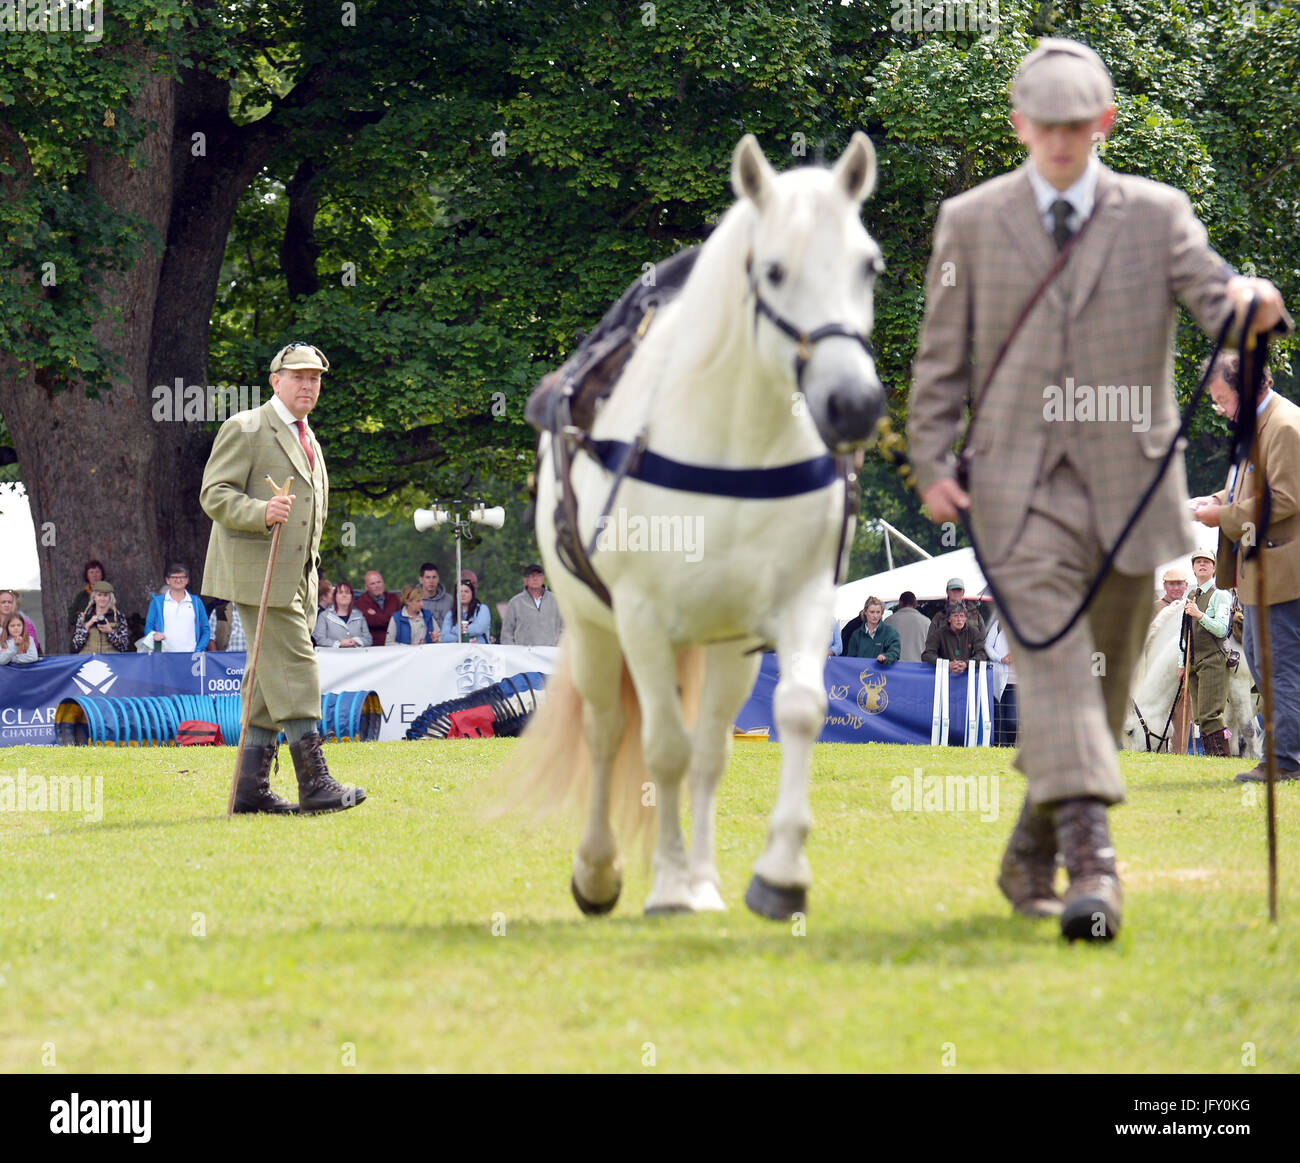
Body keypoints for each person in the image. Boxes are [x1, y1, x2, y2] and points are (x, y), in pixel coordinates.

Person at [907, 36, 1288, 940]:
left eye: (1078, 126)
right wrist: (929, 462)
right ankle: (1095, 864)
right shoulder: (970, 220)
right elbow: (939, 358)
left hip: (1129, 491)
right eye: (1046, 127)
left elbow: (1212, 295)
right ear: (1019, 126)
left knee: (1103, 682)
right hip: (1015, 490)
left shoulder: (1156, 214)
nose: (1063, 143)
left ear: (1104, 122)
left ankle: (1029, 848)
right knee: (1050, 667)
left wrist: (1249, 303)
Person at [200, 340, 365, 816]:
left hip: (299, 578)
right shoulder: (246, 427)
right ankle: (315, 784)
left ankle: (250, 790)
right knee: (295, 667)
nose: (308, 385)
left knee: (266, 679)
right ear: (276, 381)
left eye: (315, 378)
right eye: (298, 376)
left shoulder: (308, 437)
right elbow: (214, 494)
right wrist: (260, 511)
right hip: (259, 574)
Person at [1193, 351, 1300, 781]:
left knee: (1279, 665)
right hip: (1261, 573)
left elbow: (1287, 497)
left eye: (1222, 399)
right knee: (1262, 660)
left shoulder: (1285, 425)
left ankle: (1286, 762)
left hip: (1282, 571)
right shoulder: (1256, 425)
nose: (1219, 409)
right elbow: (1245, 485)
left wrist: (1224, 518)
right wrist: (1215, 501)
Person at [1175, 551, 1233, 757]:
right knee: (1199, 716)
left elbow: (1221, 629)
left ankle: (1221, 756)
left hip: (1213, 659)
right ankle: (1210, 756)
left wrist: (1199, 615)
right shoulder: (1190, 596)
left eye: (1207, 562)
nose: (1202, 565)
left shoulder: (1221, 595)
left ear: (1214, 568)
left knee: (1211, 714)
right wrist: (1182, 663)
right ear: (1193, 568)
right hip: (1193, 661)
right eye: (1198, 562)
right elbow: (1185, 633)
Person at [144, 564, 211, 653]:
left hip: (191, 656)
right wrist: (154, 635)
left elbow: (205, 629)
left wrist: (199, 649)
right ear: (167, 580)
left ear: (187, 580)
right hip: (164, 656)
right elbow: (148, 627)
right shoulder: (157, 602)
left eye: (182, 577)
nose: (178, 580)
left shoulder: (196, 602)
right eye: (174, 577)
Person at [499, 564, 564, 646]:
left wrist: (559, 648)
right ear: (525, 580)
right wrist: (514, 654)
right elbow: (506, 632)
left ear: (544, 578)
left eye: (539, 575)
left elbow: (565, 627)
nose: (535, 578)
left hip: (551, 654)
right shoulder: (515, 602)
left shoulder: (556, 600)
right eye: (531, 575)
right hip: (524, 655)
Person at [921, 602, 987, 673]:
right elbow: (927, 655)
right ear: (949, 619)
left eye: (962, 616)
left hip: (968, 675)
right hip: (944, 675)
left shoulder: (973, 632)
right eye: (955, 616)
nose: (959, 619)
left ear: (965, 619)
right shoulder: (939, 633)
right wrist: (947, 664)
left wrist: (966, 664)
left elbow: (982, 654)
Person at [985, 612, 1018, 747]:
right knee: (999, 717)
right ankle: (1002, 747)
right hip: (999, 677)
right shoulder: (998, 625)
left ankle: (1010, 745)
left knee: (1012, 721)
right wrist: (1001, 658)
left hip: (1017, 681)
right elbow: (988, 645)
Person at [71, 580, 131, 654]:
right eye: (99, 595)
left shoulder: (119, 617)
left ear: (110, 598)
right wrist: (88, 625)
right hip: (89, 661)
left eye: (105, 595)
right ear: (94, 597)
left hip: (111, 661)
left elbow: (124, 646)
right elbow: (76, 645)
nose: (102, 599)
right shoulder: (83, 617)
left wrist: (110, 631)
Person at [312, 579, 373, 648]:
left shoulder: (359, 615)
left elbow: (368, 639)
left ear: (351, 597)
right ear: (335, 597)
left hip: (356, 656)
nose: (344, 595)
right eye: (340, 592)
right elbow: (320, 639)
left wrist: (355, 641)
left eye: (347, 593)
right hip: (333, 657)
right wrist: (339, 643)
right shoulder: (324, 616)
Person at [925, 577, 985, 643]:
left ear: (963, 592)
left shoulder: (975, 614)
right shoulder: (939, 616)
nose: (956, 592)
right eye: (953, 590)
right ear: (947, 591)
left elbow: (983, 638)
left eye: (959, 590)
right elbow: (931, 640)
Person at [845, 596, 901, 664]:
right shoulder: (856, 635)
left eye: (878, 612)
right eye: (872, 612)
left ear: (882, 613)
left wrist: (886, 657)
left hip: (882, 673)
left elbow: (895, 652)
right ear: (865, 612)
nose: (875, 616)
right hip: (862, 673)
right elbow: (851, 659)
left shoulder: (890, 632)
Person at [355, 570, 401, 646]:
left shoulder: (394, 599)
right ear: (366, 587)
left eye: (379, 582)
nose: (377, 586)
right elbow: (370, 622)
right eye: (372, 583)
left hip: (395, 644)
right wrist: (390, 618)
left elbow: (398, 621)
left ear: (383, 583)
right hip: (374, 647)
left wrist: (376, 616)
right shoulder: (362, 602)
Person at [884, 590, 930, 662]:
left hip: (893, 668)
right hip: (918, 668)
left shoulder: (888, 621)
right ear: (915, 604)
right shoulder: (927, 622)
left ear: (900, 603)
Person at [441, 579, 491, 644]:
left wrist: (455, 630)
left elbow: (479, 629)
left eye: (466, 591)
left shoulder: (482, 609)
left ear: (472, 594)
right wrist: (469, 636)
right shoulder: (450, 614)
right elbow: (444, 637)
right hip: (458, 651)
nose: (463, 594)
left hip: (479, 651)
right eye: (460, 592)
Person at [67, 559, 107, 630]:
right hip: (84, 635)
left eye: (97, 572)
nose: (94, 575)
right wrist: (89, 617)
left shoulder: (109, 595)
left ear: (102, 574)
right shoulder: (81, 596)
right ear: (87, 576)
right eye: (91, 572)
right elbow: (71, 618)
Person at [0, 589, 40, 654]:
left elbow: (34, 646)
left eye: (9, 602)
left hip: (21, 660)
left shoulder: (25, 622)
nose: (6, 605)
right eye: (3, 602)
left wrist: (17, 648)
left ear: (14, 605)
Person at [419, 562, 453, 628]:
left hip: (445, 637)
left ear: (438, 579)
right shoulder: (414, 601)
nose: (431, 581)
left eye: (434, 577)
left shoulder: (449, 600)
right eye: (427, 577)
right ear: (421, 580)